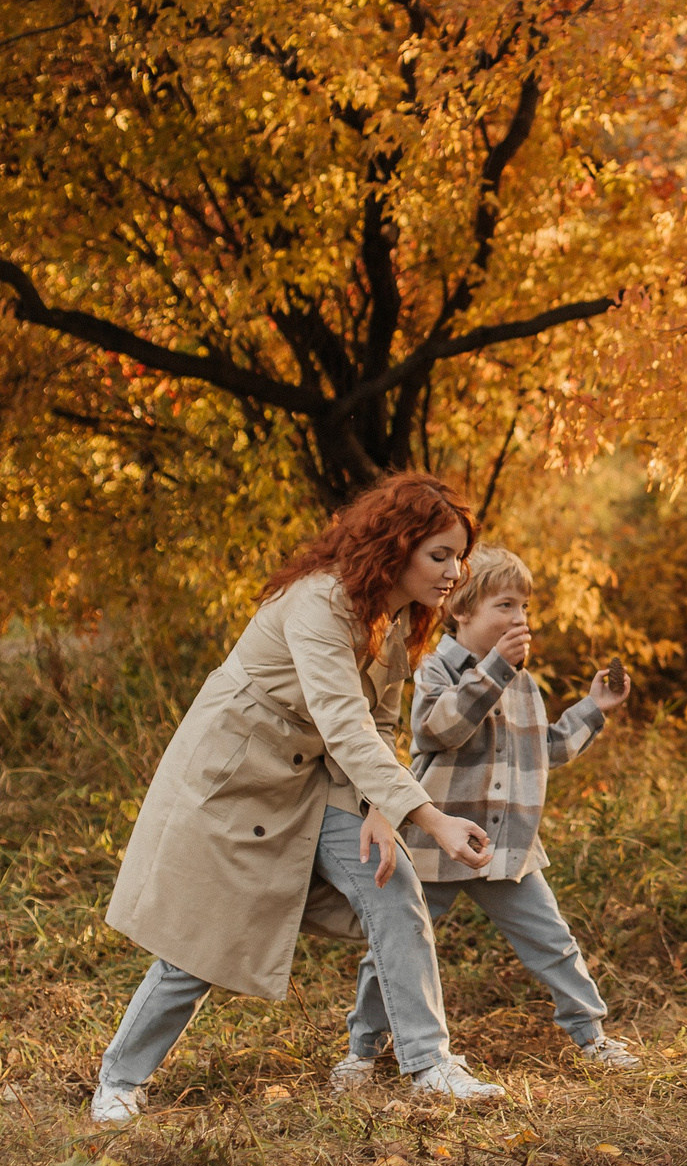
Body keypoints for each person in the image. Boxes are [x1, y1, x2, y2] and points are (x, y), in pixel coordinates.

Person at [90, 473, 507, 1123]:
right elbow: (343, 720)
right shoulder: (319, 602)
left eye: (459, 555)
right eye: (440, 554)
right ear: (395, 545)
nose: (455, 570)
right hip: (238, 778)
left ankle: (428, 1064)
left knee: (394, 889)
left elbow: (380, 721)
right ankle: (119, 1078)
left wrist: (378, 808)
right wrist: (428, 817)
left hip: (321, 781)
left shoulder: (395, 617)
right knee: (200, 942)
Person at [332, 544, 639, 1087]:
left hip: (508, 846)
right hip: (436, 846)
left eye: (524, 608)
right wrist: (495, 669)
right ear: (462, 609)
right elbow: (439, 729)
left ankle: (592, 1037)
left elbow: (548, 749)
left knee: (553, 942)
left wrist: (594, 709)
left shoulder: (523, 684)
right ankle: (363, 1050)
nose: (518, 619)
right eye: (504, 606)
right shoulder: (434, 670)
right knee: (399, 942)